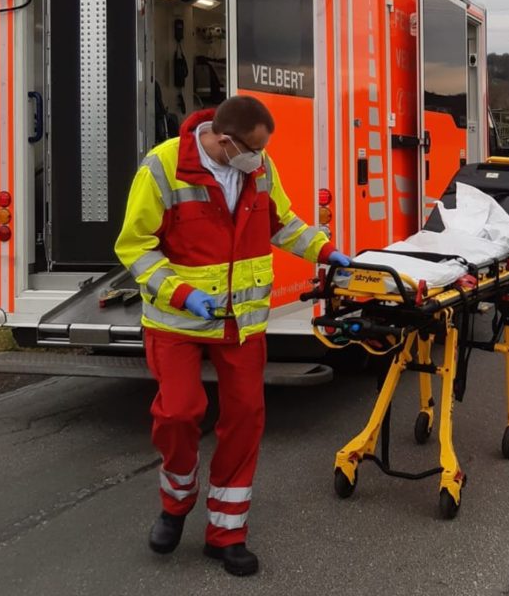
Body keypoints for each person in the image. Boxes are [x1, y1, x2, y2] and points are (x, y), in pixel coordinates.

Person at [115, 95, 349, 577]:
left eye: (263, 152)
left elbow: (281, 223)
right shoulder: (161, 167)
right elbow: (134, 246)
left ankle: (227, 532)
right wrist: (181, 294)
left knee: (245, 418)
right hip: (177, 322)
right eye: (252, 151)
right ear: (223, 141)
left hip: (241, 322)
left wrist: (326, 252)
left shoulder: (256, 165)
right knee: (179, 413)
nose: (259, 160)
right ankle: (175, 504)